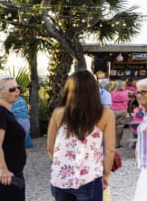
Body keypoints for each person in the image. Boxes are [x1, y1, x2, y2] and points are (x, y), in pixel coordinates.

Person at [47, 70, 116, 200]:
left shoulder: (58, 113)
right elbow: (110, 149)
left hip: (60, 179)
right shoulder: (105, 114)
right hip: (89, 176)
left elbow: (50, 147)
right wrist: (106, 174)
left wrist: (61, 164)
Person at [110, 80, 131, 148]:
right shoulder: (125, 93)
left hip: (113, 110)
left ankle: (111, 143)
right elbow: (127, 101)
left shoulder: (112, 93)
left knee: (112, 127)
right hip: (122, 110)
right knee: (120, 126)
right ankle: (117, 143)